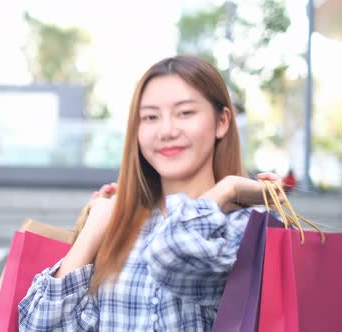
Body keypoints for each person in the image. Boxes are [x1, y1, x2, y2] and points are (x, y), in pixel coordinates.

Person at [19, 55, 283, 331]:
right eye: (150, 117)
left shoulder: (243, 225)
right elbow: (38, 327)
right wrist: (96, 226)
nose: (167, 130)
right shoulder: (121, 226)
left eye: (185, 113)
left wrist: (227, 189)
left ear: (222, 122)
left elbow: (172, 255)